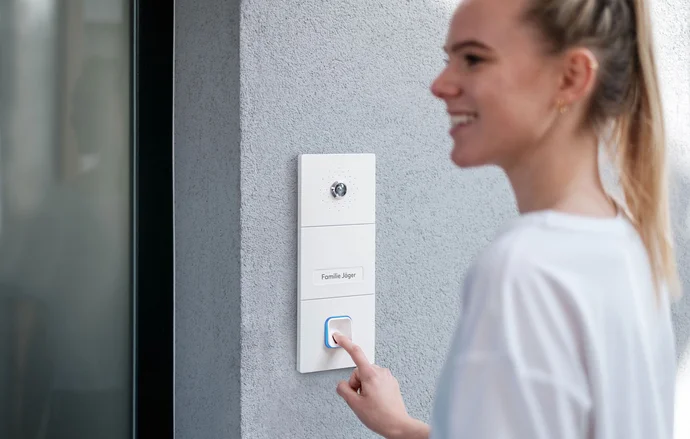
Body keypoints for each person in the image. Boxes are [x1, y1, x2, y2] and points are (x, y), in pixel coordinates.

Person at [333, 0, 682, 437]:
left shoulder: (522, 269)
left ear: (571, 78)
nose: (440, 85)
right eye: (449, 59)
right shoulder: (627, 240)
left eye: (473, 59)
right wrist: (405, 429)